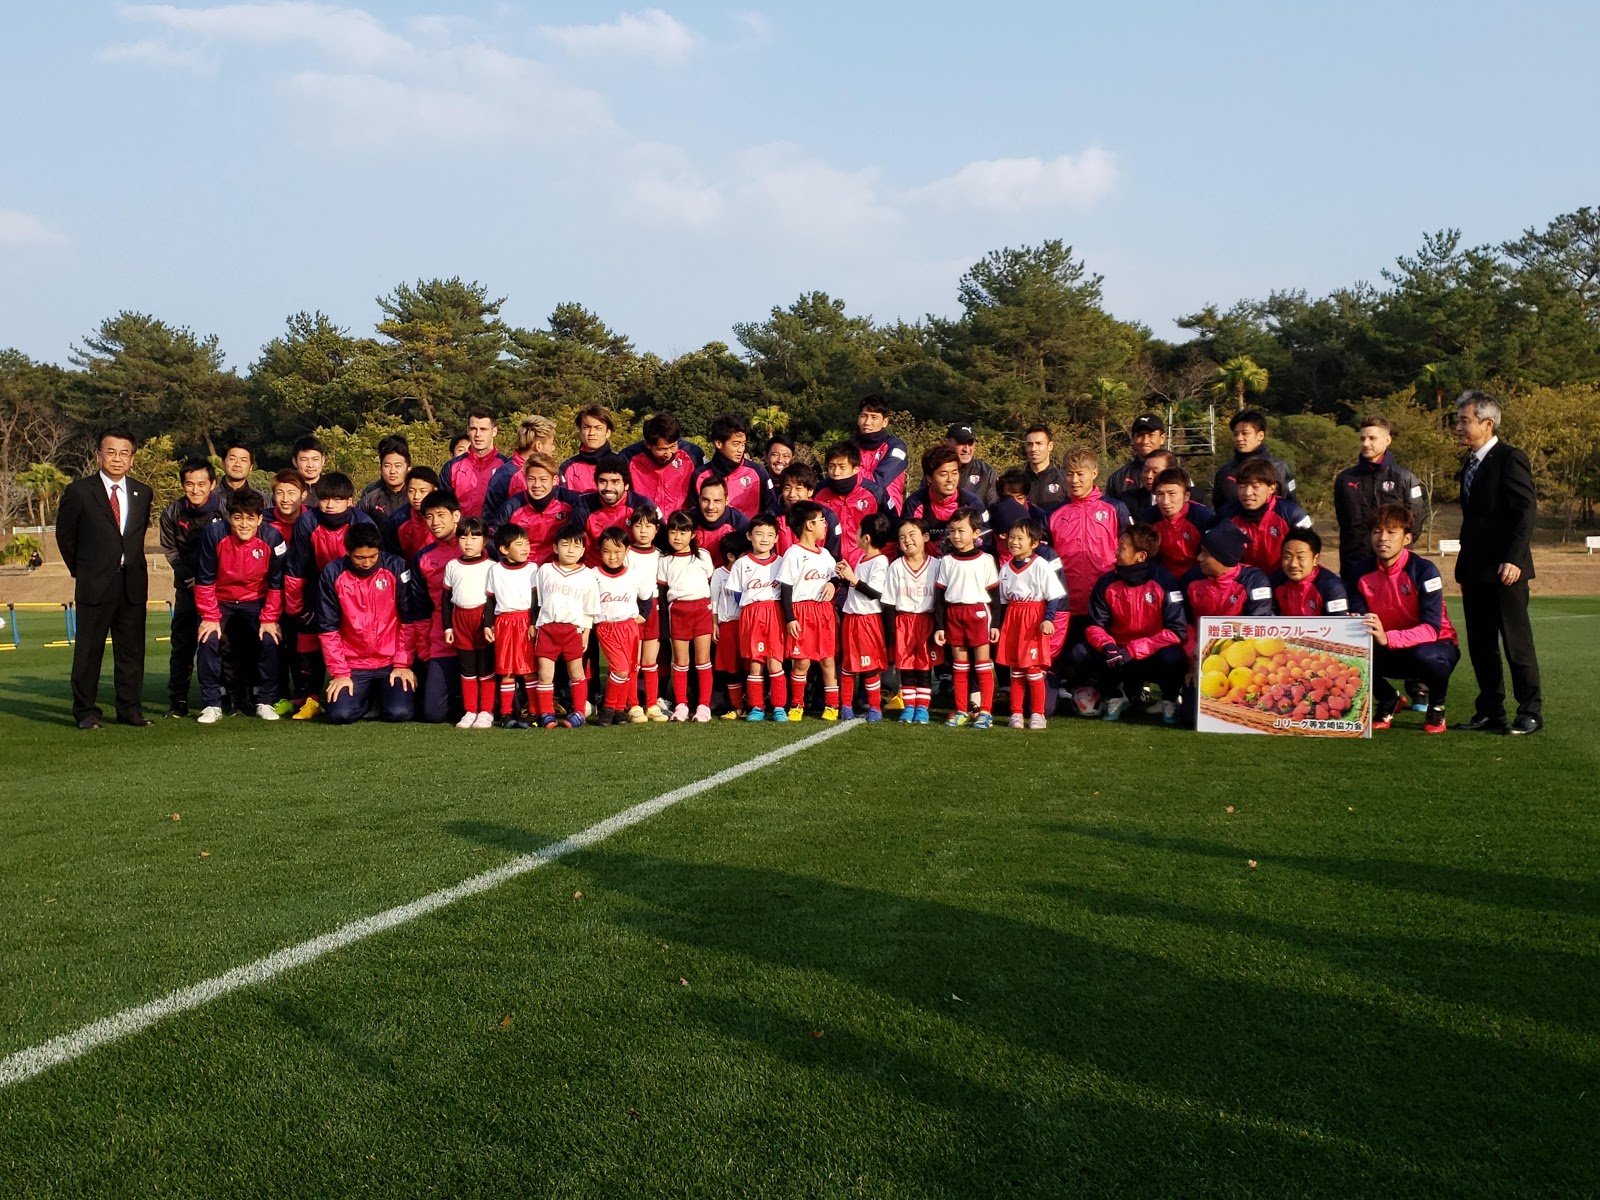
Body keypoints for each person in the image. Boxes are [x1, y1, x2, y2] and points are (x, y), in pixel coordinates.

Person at [1451, 390, 1542, 735]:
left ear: (1487, 424)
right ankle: (1490, 711)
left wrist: (1513, 559)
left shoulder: (1510, 458)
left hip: (1506, 571)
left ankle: (1530, 712)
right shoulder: (1469, 464)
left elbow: (1525, 511)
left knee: (1516, 643)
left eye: (1464, 420)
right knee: (1481, 646)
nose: (1458, 427)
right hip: (1474, 571)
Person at [56, 428, 155, 729]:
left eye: (124, 453)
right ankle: (85, 711)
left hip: (132, 583)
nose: (117, 459)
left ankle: (130, 709)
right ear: (98, 455)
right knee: (89, 651)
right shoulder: (79, 492)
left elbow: (136, 536)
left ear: (132, 459)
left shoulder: (142, 493)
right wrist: (85, 570)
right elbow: (65, 537)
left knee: (131, 652)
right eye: (110, 452)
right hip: (95, 584)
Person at [1353, 504, 1459, 734]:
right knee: (1349, 650)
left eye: (1391, 532)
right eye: (1377, 532)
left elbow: (1431, 629)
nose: (1383, 538)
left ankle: (1437, 706)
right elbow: (1360, 618)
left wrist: (1387, 638)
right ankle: (1388, 698)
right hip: (1388, 647)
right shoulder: (1359, 571)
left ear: (1407, 538)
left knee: (1430, 657)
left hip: (1434, 645)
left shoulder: (1424, 570)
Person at [283, 473, 375, 720]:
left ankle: (358, 691)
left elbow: (371, 564)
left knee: (352, 638)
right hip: (317, 584)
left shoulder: (362, 522)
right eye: (325, 499)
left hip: (355, 587)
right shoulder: (307, 521)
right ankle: (309, 696)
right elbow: (297, 567)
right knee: (306, 638)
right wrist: (295, 608)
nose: (330, 505)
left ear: (350, 500)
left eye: (337, 499)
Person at [317, 522, 425, 725]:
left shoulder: (397, 567)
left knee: (400, 713)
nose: (366, 563)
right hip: (353, 665)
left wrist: (402, 663)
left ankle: (381, 697)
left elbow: (408, 621)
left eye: (372, 556)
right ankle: (368, 700)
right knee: (340, 715)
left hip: (390, 662)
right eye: (359, 558)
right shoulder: (332, 573)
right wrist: (340, 673)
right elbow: (327, 628)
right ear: (348, 552)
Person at [1079, 524, 1187, 725]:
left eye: (1122, 547)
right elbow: (1094, 625)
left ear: (1141, 556)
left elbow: (1176, 631)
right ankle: (1114, 696)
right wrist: (1108, 646)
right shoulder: (1106, 582)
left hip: (1152, 653)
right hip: (1118, 652)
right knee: (1080, 654)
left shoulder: (1166, 582)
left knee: (1174, 658)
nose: (1115, 551)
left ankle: (1169, 698)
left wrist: (1134, 650)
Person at [193, 489, 285, 724]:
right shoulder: (214, 533)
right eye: (238, 518)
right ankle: (212, 704)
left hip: (256, 599)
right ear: (229, 517)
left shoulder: (273, 538)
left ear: (260, 519)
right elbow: (204, 579)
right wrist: (210, 616)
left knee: (270, 639)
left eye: (250, 518)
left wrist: (269, 618)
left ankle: (265, 700)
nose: (244, 524)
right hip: (220, 599)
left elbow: (276, 584)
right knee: (207, 638)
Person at [1047, 445, 1131, 675]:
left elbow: (1130, 551)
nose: (1074, 480)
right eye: (1069, 474)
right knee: (1071, 659)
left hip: (1105, 600)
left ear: (1094, 473)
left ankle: (1113, 689)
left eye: (1080, 473)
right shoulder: (1053, 513)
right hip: (1068, 601)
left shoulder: (1115, 508)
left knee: (1105, 655)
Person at [160, 458, 228, 717]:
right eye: (190, 484)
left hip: (220, 589)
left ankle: (226, 695)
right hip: (187, 588)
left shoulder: (224, 509)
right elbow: (170, 550)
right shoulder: (172, 512)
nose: (195, 489)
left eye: (201, 484)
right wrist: (191, 578)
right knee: (183, 644)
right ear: (183, 485)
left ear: (212, 483)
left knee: (222, 643)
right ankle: (178, 698)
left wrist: (212, 581)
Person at [1333, 415, 1427, 586]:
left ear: (1387, 440)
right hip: (1354, 564)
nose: (1366, 443)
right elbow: (1343, 520)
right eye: (1362, 438)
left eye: (1372, 438)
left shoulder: (1405, 478)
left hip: (1394, 567)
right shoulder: (1344, 479)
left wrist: (1393, 546)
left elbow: (1416, 519)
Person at [996, 519, 1068, 730]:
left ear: (1034, 543)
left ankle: (1038, 714)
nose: (1014, 542)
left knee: (1034, 670)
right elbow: (1002, 602)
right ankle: (1016, 713)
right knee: (1016, 670)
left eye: (1020, 538)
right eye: (1011, 537)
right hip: (1014, 618)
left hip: (1034, 619)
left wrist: (1048, 618)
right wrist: (998, 627)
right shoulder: (1006, 568)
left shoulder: (1041, 565)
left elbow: (1053, 595)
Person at [934, 508, 999, 728]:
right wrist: (940, 626)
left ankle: (985, 711)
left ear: (976, 533)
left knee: (982, 665)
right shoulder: (946, 561)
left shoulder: (986, 560)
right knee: (959, 666)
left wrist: (995, 624)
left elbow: (995, 595)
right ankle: (961, 710)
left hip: (978, 614)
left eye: (961, 530)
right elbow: (940, 596)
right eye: (952, 531)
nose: (956, 535)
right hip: (954, 614)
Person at [531, 525, 600, 729]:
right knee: (545, 674)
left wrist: (586, 632)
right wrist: (535, 624)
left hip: (573, 631)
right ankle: (546, 713)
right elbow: (539, 601)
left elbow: (589, 607)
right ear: (555, 547)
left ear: (583, 550)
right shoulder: (545, 570)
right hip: (547, 629)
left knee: (576, 672)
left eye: (576, 546)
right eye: (565, 545)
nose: (570, 550)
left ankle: (579, 712)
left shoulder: (587, 575)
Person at [777, 501, 840, 721]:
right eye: (821, 520)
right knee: (801, 661)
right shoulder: (794, 554)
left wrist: (833, 583)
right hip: (802, 612)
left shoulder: (825, 554)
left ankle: (832, 705)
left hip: (824, 612)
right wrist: (790, 618)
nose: (825, 524)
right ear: (809, 525)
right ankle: (797, 704)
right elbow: (786, 587)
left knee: (828, 660)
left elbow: (835, 576)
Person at [410, 491, 464, 724]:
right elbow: (420, 608)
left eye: (441, 515)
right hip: (442, 641)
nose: (434, 522)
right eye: (429, 517)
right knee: (434, 714)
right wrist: (424, 650)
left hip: (479, 639)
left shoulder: (481, 547)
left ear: (456, 516)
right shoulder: (423, 557)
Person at [835, 513, 894, 721]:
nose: (855, 534)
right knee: (848, 665)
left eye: (858, 531)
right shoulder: (862, 558)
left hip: (867, 620)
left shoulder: (880, 561)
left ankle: (875, 707)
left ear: (866, 538)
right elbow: (857, 586)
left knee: (869, 667)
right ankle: (846, 706)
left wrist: (852, 578)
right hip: (851, 617)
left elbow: (875, 592)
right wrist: (846, 576)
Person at [592, 526, 654, 726]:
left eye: (617, 551)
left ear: (627, 550)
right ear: (600, 551)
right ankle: (608, 708)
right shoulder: (593, 575)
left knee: (629, 670)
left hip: (629, 626)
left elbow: (646, 597)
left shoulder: (634, 574)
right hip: (606, 627)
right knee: (620, 669)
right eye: (607, 551)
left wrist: (643, 615)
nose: (612, 557)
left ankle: (619, 710)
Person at [729, 514, 787, 721]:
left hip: (775, 613)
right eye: (759, 534)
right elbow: (736, 593)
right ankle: (756, 707)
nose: (764, 539)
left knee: (775, 661)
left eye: (770, 535)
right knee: (755, 662)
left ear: (776, 538)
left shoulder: (782, 562)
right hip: (751, 614)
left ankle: (779, 707)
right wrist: (750, 610)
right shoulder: (741, 564)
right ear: (749, 536)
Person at [659, 510, 716, 722]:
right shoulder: (665, 560)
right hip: (678, 611)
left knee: (703, 660)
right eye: (673, 532)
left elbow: (711, 583)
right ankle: (681, 704)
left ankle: (704, 706)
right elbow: (663, 591)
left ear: (692, 534)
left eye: (683, 532)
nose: (677, 537)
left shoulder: (703, 556)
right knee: (681, 661)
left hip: (702, 610)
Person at [884, 517, 941, 724]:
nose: (907, 540)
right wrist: (891, 633)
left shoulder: (937, 565)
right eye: (902, 537)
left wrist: (939, 626)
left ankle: (923, 708)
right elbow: (889, 602)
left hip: (927, 621)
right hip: (903, 621)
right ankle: (909, 706)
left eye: (911, 535)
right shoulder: (896, 566)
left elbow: (941, 600)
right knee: (906, 667)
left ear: (925, 537)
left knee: (924, 667)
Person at [440, 517, 495, 729]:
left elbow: (493, 600)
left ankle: (486, 711)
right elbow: (446, 599)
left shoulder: (491, 567)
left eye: (474, 537)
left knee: (485, 667)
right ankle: (470, 710)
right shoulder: (452, 566)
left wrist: (489, 623)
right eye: (463, 538)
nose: (468, 542)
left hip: (482, 620)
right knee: (467, 668)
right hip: (460, 620)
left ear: (485, 540)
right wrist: (448, 627)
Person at [1216, 457, 1313, 575]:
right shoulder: (1226, 516)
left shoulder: (1293, 515)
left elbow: (1309, 553)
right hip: (1245, 581)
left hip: (1285, 580)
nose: (1247, 493)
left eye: (1255, 487)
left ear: (1272, 488)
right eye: (1242, 487)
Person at [484, 524, 538, 728]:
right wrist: (488, 624)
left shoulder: (533, 569)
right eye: (519, 544)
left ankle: (535, 710)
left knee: (529, 669)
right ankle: (506, 713)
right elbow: (490, 600)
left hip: (525, 622)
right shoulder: (495, 570)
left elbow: (537, 600)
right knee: (507, 671)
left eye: (527, 543)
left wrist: (533, 623)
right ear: (504, 549)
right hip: (504, 623)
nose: (525, 548)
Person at [901, 444, 988, 553]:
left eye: (954, 473)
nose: (950, 479)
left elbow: (985, 540)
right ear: (929, 478)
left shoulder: (973, 503)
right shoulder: (914, 503)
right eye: (943, 474)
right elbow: (905, 542)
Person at [492, 454, 578, 562]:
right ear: (525, 479)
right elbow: (494, 537)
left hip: (558, 566)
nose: (537, 485)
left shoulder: (570, 501)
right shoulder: (512, 506)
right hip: (522, 566)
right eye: (531, 479)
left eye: (543, 479)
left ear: (554, 480)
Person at [627, 505, 667, 722]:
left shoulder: (660, 555)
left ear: (657, 529)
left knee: (650, 661)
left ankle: (652, 704)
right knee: (633, 661)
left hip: (654, 609)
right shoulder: (626, 554)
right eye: (638, 525)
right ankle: (633, 704)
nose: (643, 530)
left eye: (648, 526)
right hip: (632, 609)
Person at [816, 441, 886, 567]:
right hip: (828, 567)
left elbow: (891, 530)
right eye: (831, 466)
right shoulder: (818, 492)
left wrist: (879, 561)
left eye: (842, 467)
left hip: (864, 566)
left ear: (856, 469)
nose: (836, 472)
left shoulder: (875, 492)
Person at [623, 412, 705, 518]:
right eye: (662, 449)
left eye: (673, 446)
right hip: (645, 524)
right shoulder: (628, 458)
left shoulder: (693, 454)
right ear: (648, 444)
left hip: (681, 524)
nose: (669, 454)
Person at [693, 413, 772, 520]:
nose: (741, 450)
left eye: (743, 444)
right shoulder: (699, 476)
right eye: (735, 444)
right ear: (718, 443)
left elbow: (771, 511)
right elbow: (693, 514)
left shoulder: (758, 472)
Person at [1212, 410, 1296, 509]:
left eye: (1245, 433)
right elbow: (1219, 508)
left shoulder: (1279, 468)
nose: (1239, 438)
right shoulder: (1224, 472)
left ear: (1260, 436)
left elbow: (1291, 504)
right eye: (1236, 434)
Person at [1141, 467, 1215, 578]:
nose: (1166, 501)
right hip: (1162, 577)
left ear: (1186, 496)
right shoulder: (1148, 518)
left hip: (1199, 575)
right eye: (1160, 494)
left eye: (1172, 494)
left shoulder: (1203, 518)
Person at [710, 531, 751, 718]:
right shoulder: (719, 574)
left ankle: (753, 704)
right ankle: (737, 706)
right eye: (744, 555)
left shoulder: (750, 572)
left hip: (747, 624)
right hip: (727, 625)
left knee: (749, 667)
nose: (748, 558)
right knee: (731, 668)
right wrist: (714, 624)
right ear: (730, 556)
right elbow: (714, 601)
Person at [485, 415, 558, 516]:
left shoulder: (502, 474)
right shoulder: (506, 476)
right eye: (551, 443)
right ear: (538, 446)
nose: (553, 448)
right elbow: (493, 518)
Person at [439, 410, 507, 519]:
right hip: (461, 529)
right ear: (467, 431)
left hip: (495, 529)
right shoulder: (451, 467)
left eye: (483, 429)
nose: (478, 434)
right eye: (473, 429)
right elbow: (443, 506)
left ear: (494, 431)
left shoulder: (506, 467)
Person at [577, 456, 644, 565]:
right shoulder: (584, 506)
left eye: (615, 482)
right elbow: (572, 543)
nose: (608, 487)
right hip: (593, 570)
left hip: (631, 569)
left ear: (626, 485)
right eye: (603, 481)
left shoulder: (640, 505)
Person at [1272, 529, 1351, 616]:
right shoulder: (1275, 581)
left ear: (1315, 559)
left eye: (1300, 557)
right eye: (1287, 557)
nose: (1293, 564)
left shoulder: (1331, 586)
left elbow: (1337, 620)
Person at [852, 395, 909, 511]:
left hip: (887, 514)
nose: (867, 422)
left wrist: (849, 474)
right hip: (854, 512)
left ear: (885, 422)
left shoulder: (895, 447)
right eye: (864, 416)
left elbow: (879, 481)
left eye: (874, 417)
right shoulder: (847, 448)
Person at [775, 464, 843, 558]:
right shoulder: (772, 516)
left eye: (798, 489)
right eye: (787, 488)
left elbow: (833, 554)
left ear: (810, 491)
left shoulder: (826, 517)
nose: (792, 494)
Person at [989, 471, 1049, 568]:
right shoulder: (994, 514)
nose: (1014, 503)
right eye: (1009, 498)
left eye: (1019, 498)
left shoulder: (1040, 517)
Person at [1104, 414, 1169, 501]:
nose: (1145, 441)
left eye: (1151, 435)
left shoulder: (1176, 475)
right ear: (1133, 438)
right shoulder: (1118, 478)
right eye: (1140, 435)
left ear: (1162, 438)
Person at [691, 476, 749, 564]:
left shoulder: (739, 523)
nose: (710, 507)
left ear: (726, 500)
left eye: (717, 501)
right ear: (699, 499)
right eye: (705, 500)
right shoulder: (688, 521)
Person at [384, 466, 439, 560]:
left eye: (423, 491)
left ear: (435, 491)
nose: (416, 496)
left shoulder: (447, 517)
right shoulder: (397, 520)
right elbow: (392, 557)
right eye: (411, 491)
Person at [561, 405, 616, 495]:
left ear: (608, 433)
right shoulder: (567, 467)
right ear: (580, 431)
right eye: (587, 427)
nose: (591, 433)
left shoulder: (620, 463)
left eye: (598, 428)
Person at [358, 435, 412, 523]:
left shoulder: (416, 495)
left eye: (398, 466)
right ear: (381, 468)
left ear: (408, 469)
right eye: (387, 466)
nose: (392, 471)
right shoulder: (371, 497)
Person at [946, 424, 998, 506]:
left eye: (970, 443)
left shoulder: (986, 473)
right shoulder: (935, 469)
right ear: (948, 442)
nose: (966, 449)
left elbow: (994, 507)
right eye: (961, 443)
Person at [1019, 425, 1068, 511]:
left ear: (1050, 446)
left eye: (1039, 443)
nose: (1033, 449)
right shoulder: (1018, 481)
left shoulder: (1064, 480)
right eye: (1030, 444)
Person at [219, 442, 265, 506]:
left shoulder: (263, 500)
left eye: (243, 460)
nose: (237, 464)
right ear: (223, 463)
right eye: (232, 459)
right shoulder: (209, 497)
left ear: (251, 467)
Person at [291, 436, 328, 505]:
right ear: (295, 462)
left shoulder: (332, 488)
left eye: (315, 459)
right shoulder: (287, 489)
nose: (310, 465)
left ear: (323, 460)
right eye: (304, 460)